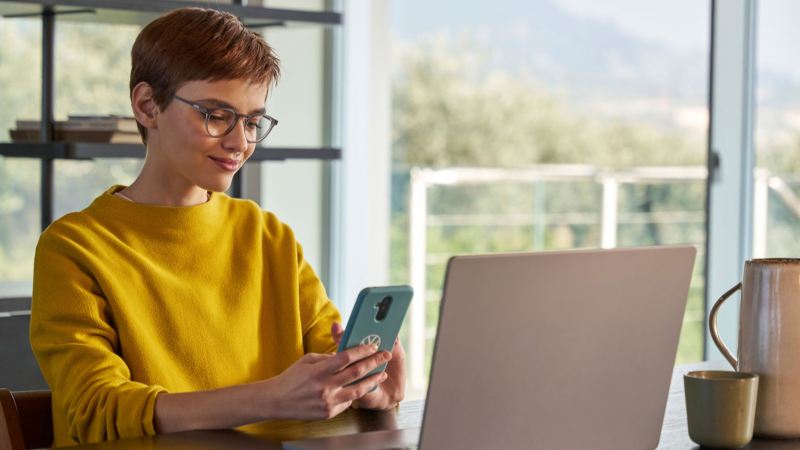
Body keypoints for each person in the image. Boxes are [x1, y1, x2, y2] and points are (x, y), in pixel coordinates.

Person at [29, 7, 405, 447]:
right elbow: (95, 410)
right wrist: (268, 399)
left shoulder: (269, 236)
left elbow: (329, 365)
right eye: (215, 114)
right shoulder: (74, 247)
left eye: (251, 121)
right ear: (147, 105)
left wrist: (368, 388)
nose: (239, 142)